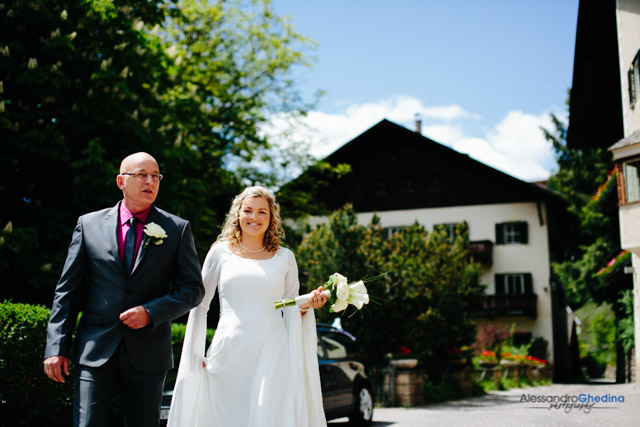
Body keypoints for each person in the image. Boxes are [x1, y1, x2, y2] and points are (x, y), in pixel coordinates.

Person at [43, 152, 205, 427]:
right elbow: (67, 290)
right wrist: (56, 346)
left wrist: (151, 312)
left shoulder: (176, 229)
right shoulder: (89, 224)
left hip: (148, 352)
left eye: (156, 176)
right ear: (121, 181)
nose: (150, 181)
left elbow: (192, 289)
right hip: (94, 349)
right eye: (142, 174)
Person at [168, 186, 328, 427]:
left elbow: (292, 306)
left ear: (271, 217)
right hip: (230, 351)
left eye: (262, 212)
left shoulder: (285, 257)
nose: (254, 217)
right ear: (238, 215)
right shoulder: (219, 252)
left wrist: (308, 305)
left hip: (273, 352)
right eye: (248, 211)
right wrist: (194, 352)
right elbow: (200, 305)